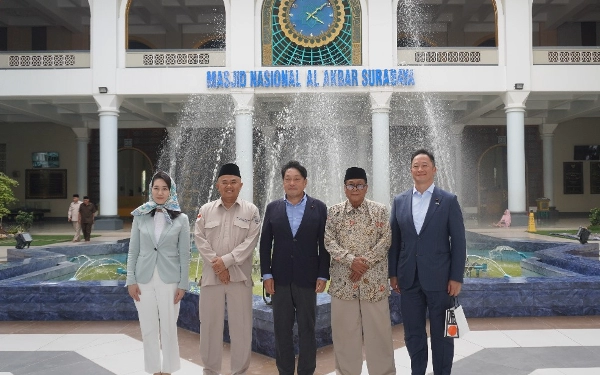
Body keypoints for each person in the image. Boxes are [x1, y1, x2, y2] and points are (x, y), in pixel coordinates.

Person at [389, 149, 466, 375]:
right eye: (415, 165)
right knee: (413, 333)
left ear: (434, 169)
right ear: (411, 170)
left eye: (424, 165)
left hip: (441, 280)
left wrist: (456, 277)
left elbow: (459, 242)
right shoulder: (400, 201)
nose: (420, 169)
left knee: (443, 333)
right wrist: (393, 274)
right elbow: (395, 241)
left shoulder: (449, 201)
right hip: (408, 279)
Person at [260, 160, 330, 375]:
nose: (292, 183)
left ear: (305, 182)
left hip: (307, 278)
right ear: (283, 182)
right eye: (287, 179)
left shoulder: (318, 207)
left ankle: (307, 371)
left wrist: (322, 274)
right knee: (282, 329)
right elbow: (265, 243)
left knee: (308, 329)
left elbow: (324, 244)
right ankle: (285, 371)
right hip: (279, 279)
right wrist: (266, 274)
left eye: (296, 179)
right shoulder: (273, 208)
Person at [324, 167, 395, 375]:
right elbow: (329, 240)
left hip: (374, 284)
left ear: (366, 187)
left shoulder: (379, 210)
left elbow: (386, 239)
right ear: (345, 188)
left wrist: (363, 263)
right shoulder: (334, 212)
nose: (355, 189)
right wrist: (351, 261)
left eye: (359, 185)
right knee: (345, 336)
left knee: (380, 335)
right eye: (351, 185)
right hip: (343, 284)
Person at [194, 163, 260, 375]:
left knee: (241, 329)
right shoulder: (205, 210)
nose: (229, 186)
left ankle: (239, 371)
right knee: (209, 328)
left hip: (239, 280)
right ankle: (210, 371)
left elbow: (250, 242)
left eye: (233, 182)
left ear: (240, 185)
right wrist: (218, 265)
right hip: (211, 279)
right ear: (217, 185)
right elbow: (199, 239)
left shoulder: (251, 211)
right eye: (225, 182)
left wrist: (226, 262)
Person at [126, 171, 191, 375]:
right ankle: (154, 370)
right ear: (150, 190)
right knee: (148, 328)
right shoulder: (140, 216)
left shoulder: (182, 219)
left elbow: (184, 255)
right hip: (143, 278)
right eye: (156, 188)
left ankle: (168, 369)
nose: (160, 192)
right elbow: (133, 250)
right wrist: (130, 280)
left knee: (169, 328)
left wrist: (183, 284)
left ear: (171, 191)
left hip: (170, 280)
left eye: (165, 188)